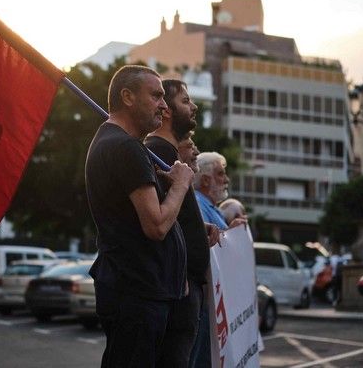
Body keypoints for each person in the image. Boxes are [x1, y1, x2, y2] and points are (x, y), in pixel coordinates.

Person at [85, 65, 194, 367]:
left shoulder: (118, 144)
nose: (163, 105)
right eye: (157, 96)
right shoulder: (125, 147)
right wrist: (181, 185)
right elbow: (156, 225)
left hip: (138, 291)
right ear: (128, 96)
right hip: (136, 294)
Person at [144, 79, 219, 367]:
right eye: (186, 101)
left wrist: (198, 231)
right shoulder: (159, 152)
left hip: (183, 288)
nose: (194, 106)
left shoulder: (168, 153)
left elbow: (173, 216)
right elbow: (157, 221)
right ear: (166, 110)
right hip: (179, 290)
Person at [191, 152, 246, 368]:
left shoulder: (210, 207)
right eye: (221, 174)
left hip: (214, 305)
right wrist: (231, 234)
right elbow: (204, 247)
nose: (227, 179)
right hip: (206, 304)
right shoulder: (198, 204)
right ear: (205, 180)